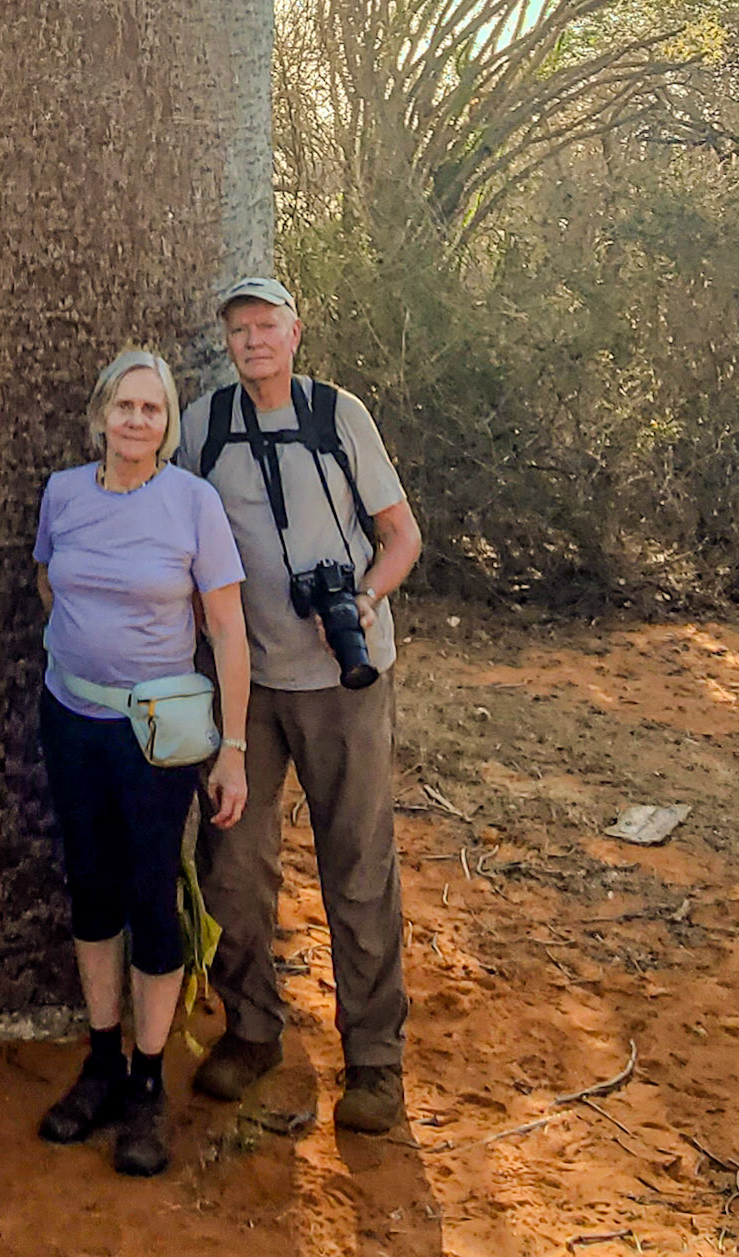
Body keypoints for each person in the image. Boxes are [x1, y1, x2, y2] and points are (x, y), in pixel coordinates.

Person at [179, 274, 423, 1136]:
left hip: (345, 684)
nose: (252, 340)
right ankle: (251, 1028)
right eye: (239, 329)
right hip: (244, 684)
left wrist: (363, 600)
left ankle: (374, 1059)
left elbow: (402, 535)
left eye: (266, 326)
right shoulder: (201, 425)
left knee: (358, 863)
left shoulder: (337, 414)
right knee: (234, 866)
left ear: (295, 331)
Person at [32, 346, 251, 1178]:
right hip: (72, 715)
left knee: (152, 894)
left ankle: (149, 1078)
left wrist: (231, 745)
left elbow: (227, 631)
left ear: (168, 423)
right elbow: (53, 583)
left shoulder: (192, 503)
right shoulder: (63, 494)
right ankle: (101, 1060)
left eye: (152, 409)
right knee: (90, 888)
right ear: (100, 415)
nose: (136, 421)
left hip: (161, 730)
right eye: (124, 406)